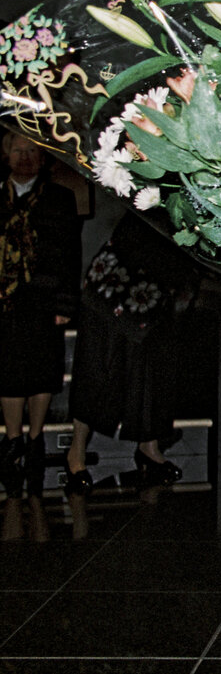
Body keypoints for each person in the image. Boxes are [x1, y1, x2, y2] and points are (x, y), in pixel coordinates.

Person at [64, 213, 201, 493]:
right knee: (98, 367)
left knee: (155, 371)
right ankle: (75, 453)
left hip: (163, 286)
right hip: (116, 285)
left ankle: (148, 448)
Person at [0, 133, 81, 495]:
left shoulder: (60, 199)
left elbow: (70, 256)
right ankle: (13, 440)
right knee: (8, 370)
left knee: (41, 369)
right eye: (18, 150)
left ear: (42, 157)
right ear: (6, 155)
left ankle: (36, 441)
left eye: (31, 150)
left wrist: (65, 306)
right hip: (4, 300)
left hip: (45, 300)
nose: (25, 157)